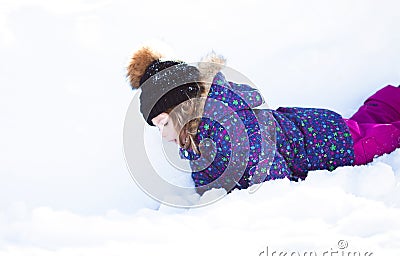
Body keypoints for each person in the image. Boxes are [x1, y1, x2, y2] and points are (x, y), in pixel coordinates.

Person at [127, 47, 400, 196]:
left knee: (384, 137)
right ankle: (389, 99)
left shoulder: (233, 128)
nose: (162, 135)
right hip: (312, 128)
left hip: (329, 145)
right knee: (366, 121)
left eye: (163, 123)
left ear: (182, 111)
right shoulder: (195, 139)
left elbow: (274, 182)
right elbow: (209, 182)